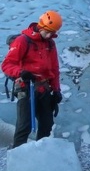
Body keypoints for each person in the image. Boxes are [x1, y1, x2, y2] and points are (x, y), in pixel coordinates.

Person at [2, 10, 63, 147]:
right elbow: (7, 65)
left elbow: (54, 69)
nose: (48, 36)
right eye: (47, 32)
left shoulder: (50, 44)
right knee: (25, 126)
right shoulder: (23, 41)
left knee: (46, 126)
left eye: (51, 33)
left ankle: (40, 155)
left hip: (44, 89)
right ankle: (18, 157)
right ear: (41, 26)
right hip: (26, 87)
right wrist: (21, 72)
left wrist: (56, 90)